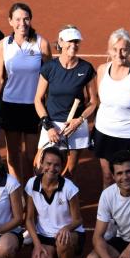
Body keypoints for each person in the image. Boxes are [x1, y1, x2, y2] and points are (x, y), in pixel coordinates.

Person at [0, 2, 52, 185]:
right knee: (13, 155)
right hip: (10, 105)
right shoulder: (3, 45)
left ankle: (32, 192)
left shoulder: (41, 44)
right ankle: (17, 194)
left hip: (33, 106)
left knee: (31, 156)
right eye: (17, 19)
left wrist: (46, 106)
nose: (22, 23)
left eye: (26, 18)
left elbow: (49, 77)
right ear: (10, 21)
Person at [34, 26, 98, 176]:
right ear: (61, 42)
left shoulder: (86, 68)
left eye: (76, 42)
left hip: (75, 127)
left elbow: (93, 101)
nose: (73, 45)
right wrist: (48, 126)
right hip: (51, 125)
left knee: (68, 173)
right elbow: (38, 99)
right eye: (70, 41)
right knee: (40, 170)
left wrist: (79, 120)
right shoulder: (50, 68)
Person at [93, 28, 130, 189]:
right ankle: (107, 214)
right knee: (107, 177)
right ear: (109, 50)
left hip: (129, 136)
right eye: (114, 49)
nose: (119, 54)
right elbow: (101, 103)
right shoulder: (102, 70)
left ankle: (128, 213)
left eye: (124, 49)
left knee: (127, 181)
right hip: (104, 134)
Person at [24, 147, 84, 258]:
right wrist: (37, 245)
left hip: (70, 233)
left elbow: (78, 220)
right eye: (48, 163)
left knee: (63, 240)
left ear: (62, 167)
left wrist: (66, 228)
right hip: (44, 236)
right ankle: (58, 257)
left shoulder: (70, 188)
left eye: (56, 165)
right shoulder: (32, 184)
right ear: (41, 164)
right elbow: (29, 219)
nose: (52, 168)